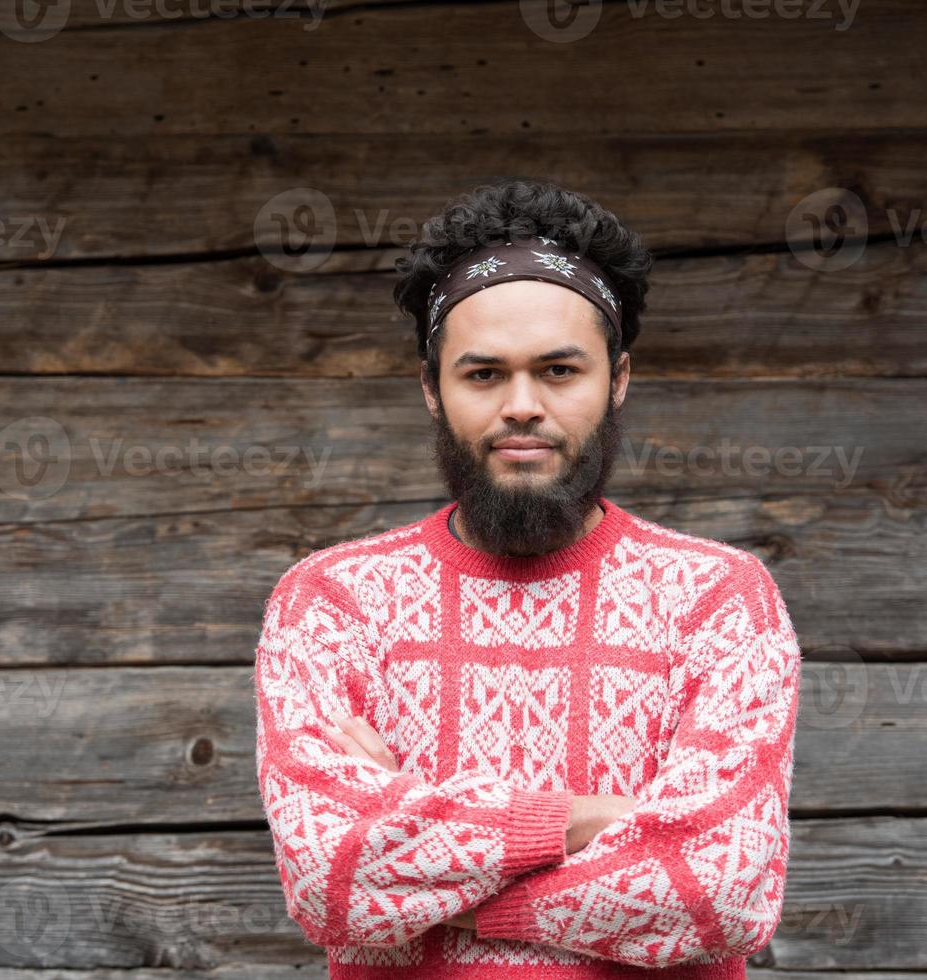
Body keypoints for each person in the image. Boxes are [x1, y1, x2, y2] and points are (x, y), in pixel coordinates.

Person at [253, 178, 802, 978]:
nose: (521, 406)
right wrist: (582, 823)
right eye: (482, 375)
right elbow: (328, 883)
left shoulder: (718, 600)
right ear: (431, 391)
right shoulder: (332, 602)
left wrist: (425, 879)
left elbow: (721, 893)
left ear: (616, 380)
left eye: (557, 371)